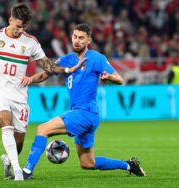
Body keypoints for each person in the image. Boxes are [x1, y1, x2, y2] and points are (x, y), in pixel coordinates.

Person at [0, 3, 83, 181]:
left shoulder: (30, 42)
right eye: (17, 26)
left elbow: (46, 65)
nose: (20, 30)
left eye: (23, 27)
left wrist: (66, 70)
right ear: (10, 20)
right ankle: (18, 172)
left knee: (18, 143)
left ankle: (9, 160)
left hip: (19, 95)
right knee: (6, 122)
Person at [21, 23, 146, 179]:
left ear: (89, 40)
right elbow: (44, 75)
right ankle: (129, 165)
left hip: (86, 112)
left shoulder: (97, 58)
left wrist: (109, 78)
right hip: (84, 114)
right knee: (88, 163)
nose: (77, 41)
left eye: (81, 38)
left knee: (42, 129)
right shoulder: (66, 60)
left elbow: (120, 79)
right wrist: (28, 79)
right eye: (75, 37)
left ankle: (26, 172)